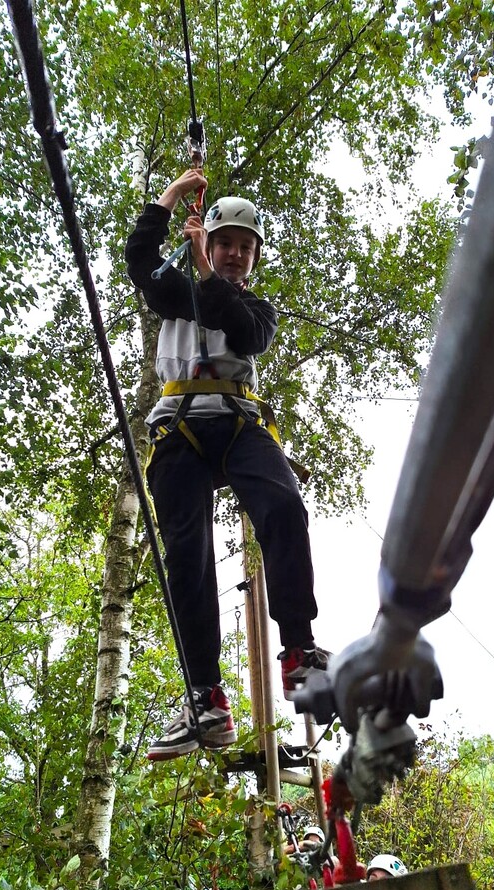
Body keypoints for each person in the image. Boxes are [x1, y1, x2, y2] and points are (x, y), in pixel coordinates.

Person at [125, 168, 328, 760]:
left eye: (245, 248)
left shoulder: (255, 310)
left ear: (252, 258)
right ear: (208, 243)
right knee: (186, 553)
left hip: (239, 422)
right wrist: (166, 201)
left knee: (285, 506)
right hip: (181, 430)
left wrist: (207, 271)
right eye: (225, 245)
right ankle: (206, 698)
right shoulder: (173, 292)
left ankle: (299, 653)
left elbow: (241, 332)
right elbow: (140, 261)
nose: (236, 255)